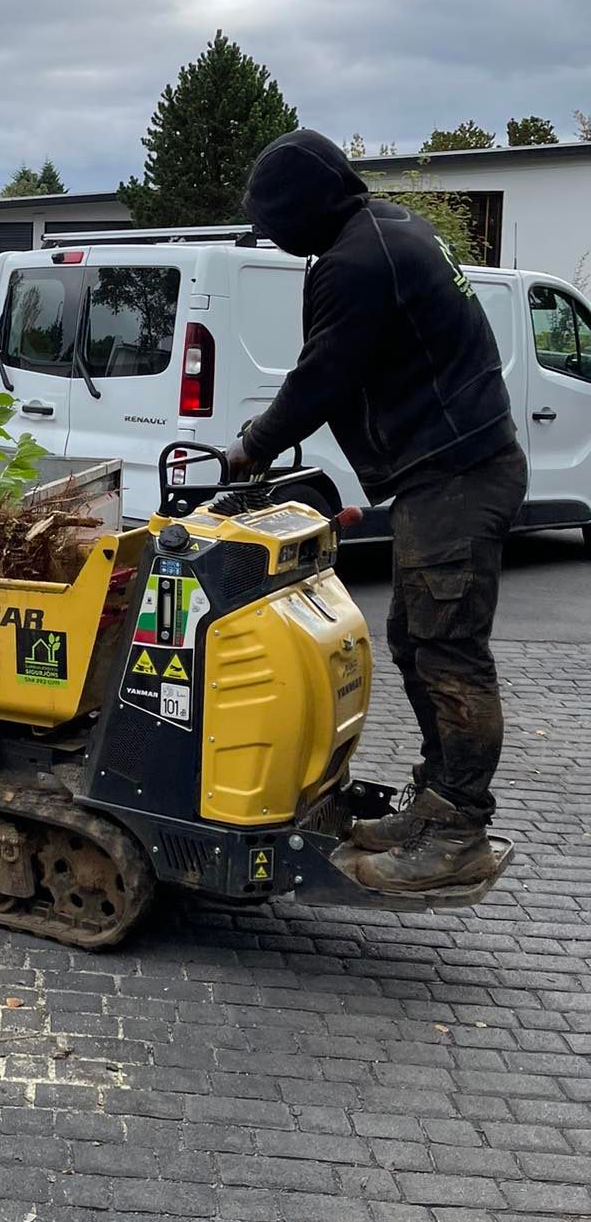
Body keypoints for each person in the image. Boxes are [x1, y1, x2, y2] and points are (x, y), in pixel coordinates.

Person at [225, 129, 526, 892]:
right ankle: (435, 804)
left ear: (305, 206)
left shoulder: (359, 261)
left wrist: (251, 448)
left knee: (448, 652)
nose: (274, 237)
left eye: (275, 220)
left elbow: (322, 375)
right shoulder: (386, 229)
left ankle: (456, 832)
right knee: (414, 639)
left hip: (456, 473)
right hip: (454, 469)